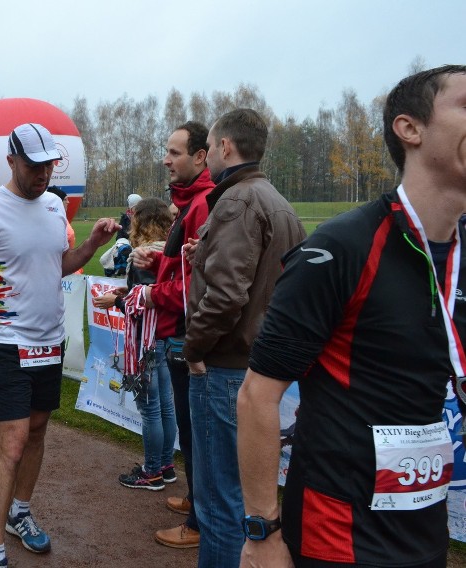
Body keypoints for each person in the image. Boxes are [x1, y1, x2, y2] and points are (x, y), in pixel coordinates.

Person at [237, 65, 466, 568]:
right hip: (336, 536)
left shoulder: (460, 253)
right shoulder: (341, 248)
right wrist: (261, 534)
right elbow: (257, 396)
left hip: (425, 531)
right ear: (411, 128)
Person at [0, 122, 119, 568]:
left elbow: (56, 265)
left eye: (49, 165)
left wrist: (91, 245)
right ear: (11, 162)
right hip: (6, 344)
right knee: (10, 444)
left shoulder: (52, 207)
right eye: (34, 165)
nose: (44, 173)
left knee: (39, 431)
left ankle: (19, 513)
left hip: (50, 343)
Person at [182, 109, 306, 567]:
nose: (208, 155)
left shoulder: (237, 201)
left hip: (226, 369)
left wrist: (194, 349)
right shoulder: (273, 198)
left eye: (210, 147)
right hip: (258, 368)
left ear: (226, 148)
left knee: (218, 503)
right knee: (241, 498)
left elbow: (228, 296)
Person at [133, 121, 215, 548]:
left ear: (201, 156)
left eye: (175, 152)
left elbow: (195, 286)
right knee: (185, 422)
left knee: (196, 428)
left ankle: (201, 521)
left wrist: (150, 292)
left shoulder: (202, 204)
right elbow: (184, 269)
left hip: (189, 335)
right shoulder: (188, 203)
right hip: (182, 332)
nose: (166, 159)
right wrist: (158, 265)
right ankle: (197, 498)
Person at [93, 198, 176, 492]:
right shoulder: (169, 251)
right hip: (165, 338)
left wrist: (116, 299)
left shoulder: (142, 254)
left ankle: (152, 471)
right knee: (165, 406)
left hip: (146, 342)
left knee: (150, 407)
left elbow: (143, 303)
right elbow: (152, 291)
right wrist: (127, 290)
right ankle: (165, 465)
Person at [47, 185, 82, 275]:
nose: (68, 202)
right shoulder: (52, 222)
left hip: (67, 270)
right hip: (60, 272)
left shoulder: (61, 218)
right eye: (65, 199)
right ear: (57, 201)